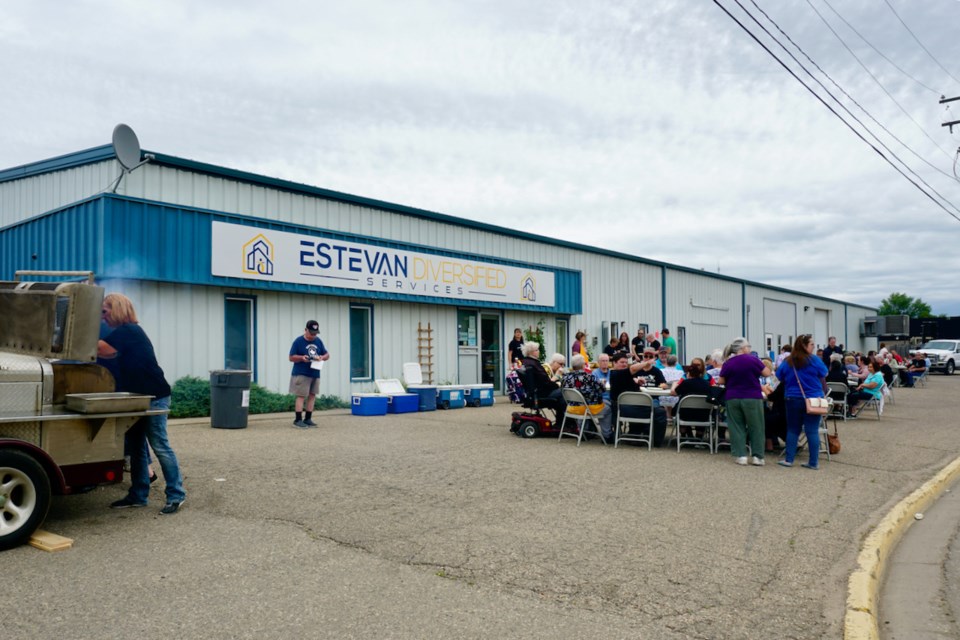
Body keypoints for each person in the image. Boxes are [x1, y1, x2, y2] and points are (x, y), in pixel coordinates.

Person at [97, 293, 185, 515]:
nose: (102, 316)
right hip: (136, 397)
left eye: (104, 311)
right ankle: (138, 495)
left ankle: (176, 495)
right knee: (136, 447)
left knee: (160, 445)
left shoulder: (129, 331)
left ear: (116, 309)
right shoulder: (123, 333)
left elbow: (100, 350)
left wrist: (79, 328)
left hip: (154, 396)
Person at [775, 334, 828, 470]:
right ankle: (813, 462)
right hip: (813, 398)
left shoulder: (788, 361)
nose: (814, 347)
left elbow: (779, 375)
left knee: (793, 429)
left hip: (792, 398)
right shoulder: (814, 360)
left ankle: (789, 459)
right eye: (812, 345)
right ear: (804, 346)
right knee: (812, 431)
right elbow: (824, 373)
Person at [719, 337, 770, 466]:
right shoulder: (753, 360)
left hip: (733, 397)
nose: (750, 349)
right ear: (743, 348)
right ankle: (757, 456)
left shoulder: (728, 363)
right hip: (752, 396)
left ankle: (741, 455)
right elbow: (767, 373)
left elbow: (721, 381)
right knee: (756, 426)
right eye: (749, 346)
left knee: (736, 426)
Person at [608, 351, 667, 446]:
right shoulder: (617, 373)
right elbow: (632, 368)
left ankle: (635, 434)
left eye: (626, 362)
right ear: (614, 363)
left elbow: (627, 382)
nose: (624, 364)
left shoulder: (620, 374)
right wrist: (647, 362)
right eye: (622, 362)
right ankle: (656, 442)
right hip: (625, 408)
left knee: (652, 408)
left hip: (624, 409)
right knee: (660, 412)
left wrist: (636, 382)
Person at [289, 320, 330, 428]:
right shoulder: (298, 341)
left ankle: (308, 419)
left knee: (312, 395)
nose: (313, 335)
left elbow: (327, 354)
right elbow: (291, 357)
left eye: (315, 333)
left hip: (315, 372)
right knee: (301, 396)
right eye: (311, 333)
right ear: (305, 330)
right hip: (302, 373)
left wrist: (322, 357)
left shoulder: (318, 341)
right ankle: (298, 420)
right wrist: (302, 358)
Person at [560, 355, 607, 436]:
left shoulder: (565, 378)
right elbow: (603, 390)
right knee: (609, 409)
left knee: (584, 402)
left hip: (572, 407)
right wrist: (602, 383)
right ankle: (607, 434)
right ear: (583, 365)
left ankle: (585, 431)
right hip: (589, 408)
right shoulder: (590, 377)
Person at [519, 342, 565, 423]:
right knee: (565, 392)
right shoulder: (534, 364)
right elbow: (546, 383)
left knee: (561, 395)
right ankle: (565, 422)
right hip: (542, 394)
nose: (539, 351)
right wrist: (558, 384)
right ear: (531, 352)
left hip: (535, 394)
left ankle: (562, 421)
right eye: (537, 350)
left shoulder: (526, 362)